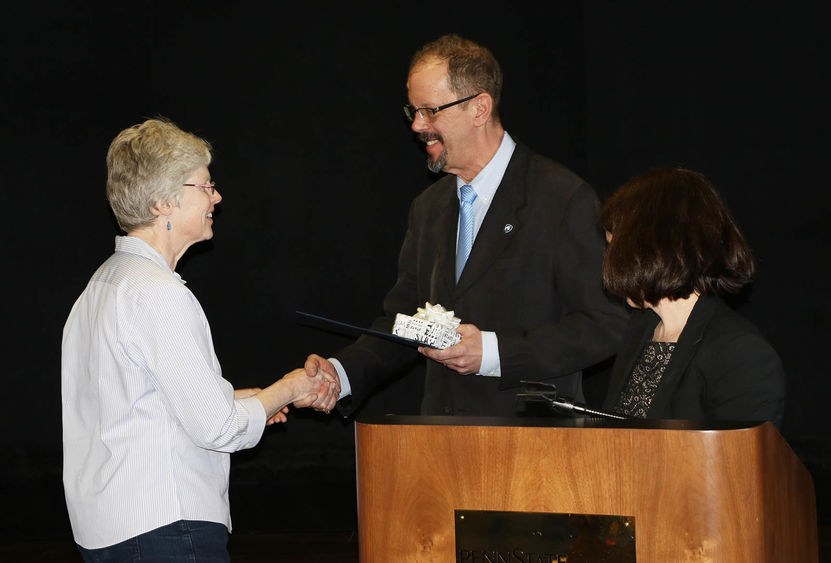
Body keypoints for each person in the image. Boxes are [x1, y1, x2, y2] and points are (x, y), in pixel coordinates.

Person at [303, 34, 629, 417]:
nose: (417, 126)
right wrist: (342, 374)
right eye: (413, 112)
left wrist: (493, 353)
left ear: (479, 108)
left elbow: (606, 325)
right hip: (443, 444)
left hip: (534, 447)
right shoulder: (428, 208)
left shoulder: (560, 198)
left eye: (430, 111)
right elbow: (404, 323)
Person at [61, 118, 337, 561]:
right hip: (166, 529)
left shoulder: (102, 285)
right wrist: (291, 388)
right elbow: (218, 428)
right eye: (205, 186)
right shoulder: (159, 293)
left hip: (109, 529)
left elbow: (144, 407)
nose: (217, 197)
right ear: (162, 202)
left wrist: (256, 399)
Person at [598, 167, 786, 426]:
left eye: (612, 248)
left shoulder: (739, 353)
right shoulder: (641, 328)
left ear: (655, 250)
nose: (607, 262)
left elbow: (740, 463)